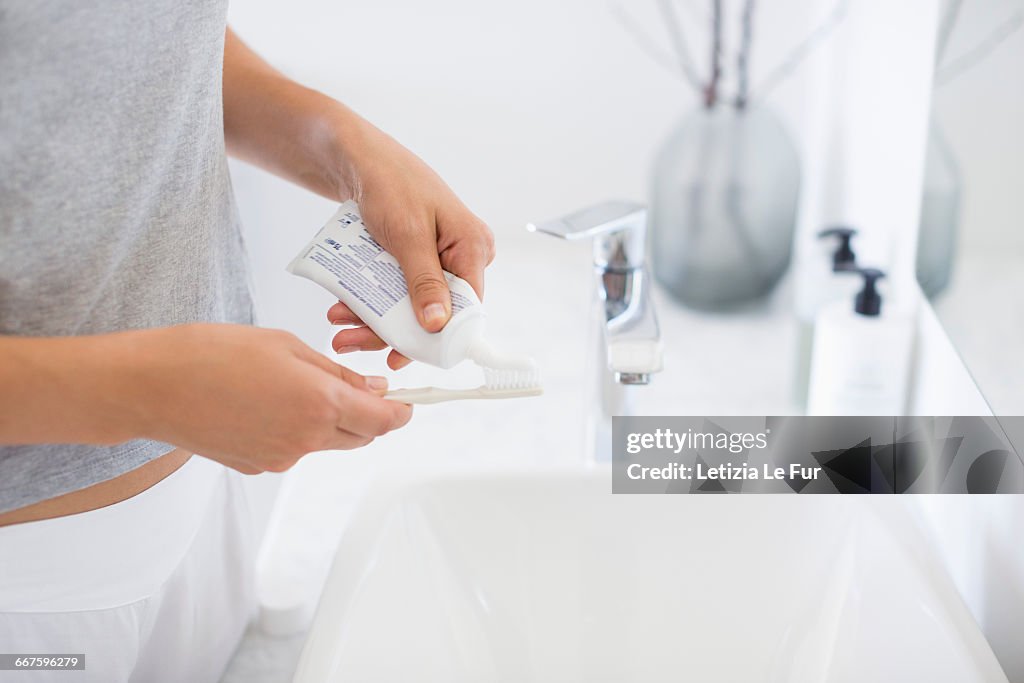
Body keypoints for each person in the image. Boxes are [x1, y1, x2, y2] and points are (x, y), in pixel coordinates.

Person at [0, 3, 494, 680]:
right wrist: (151, 389)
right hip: (28, 598)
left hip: (207, 502)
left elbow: (112, 45)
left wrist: (339, 143)